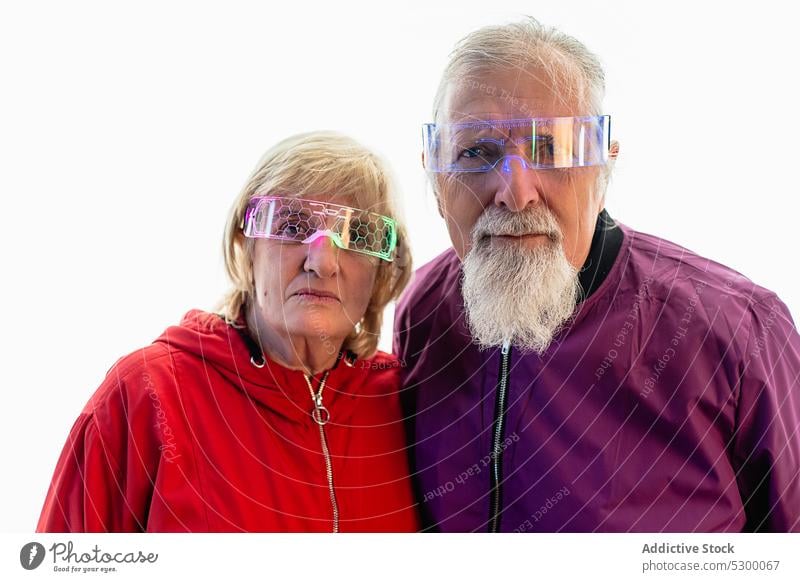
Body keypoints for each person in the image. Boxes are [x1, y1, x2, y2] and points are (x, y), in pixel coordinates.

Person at [394, 18, 800, 532]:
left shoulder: (740, 332)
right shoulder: (423, 310)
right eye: (477, 151)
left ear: (604, 169)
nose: (516, 193)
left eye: (553, 148)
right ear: (434, 176)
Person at [38, 131, 418, 532]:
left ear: (382, 269)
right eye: (291, 225)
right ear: (244, 244)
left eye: (357, 235)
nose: (322, 263)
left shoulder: (406, 400)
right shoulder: (146, 393)